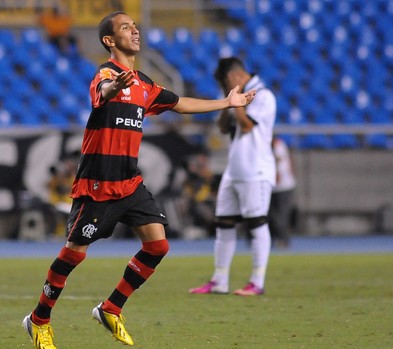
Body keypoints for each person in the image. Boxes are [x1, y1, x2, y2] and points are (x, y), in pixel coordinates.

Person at [22, 12, 256, 349]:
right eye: (126, 27)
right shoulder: (106, 74)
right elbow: (101, 92)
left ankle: (111, 308)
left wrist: (228, 102)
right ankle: (39, 320)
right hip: (98, 184)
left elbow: (181, 103)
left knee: (158, 246)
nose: (135, 30)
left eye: (135, 26)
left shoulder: (144, 83)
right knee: (74, 253)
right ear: (109, 40)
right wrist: (113, 87)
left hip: (130, 182)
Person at [189, 57, 276, 297]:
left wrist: (236, 103)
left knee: (256, 223)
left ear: (235, 76)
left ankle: (257, 281)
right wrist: (228, 103)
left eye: (225, 82)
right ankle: (219, 280)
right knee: (224, 224)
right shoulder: (240, 95)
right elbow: (224, 128)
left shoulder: (264, 95)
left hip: (255, 170)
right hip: (235, 169)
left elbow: (247, 126)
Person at [268, 136, 297, 248]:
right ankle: (274, 238)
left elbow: (280, 162)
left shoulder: (278, 146)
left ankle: (283, 239)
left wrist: (277, 175)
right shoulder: (278, 145)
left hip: (283, 186)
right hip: (274, 187)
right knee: (272, 214)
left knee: (281, 215)